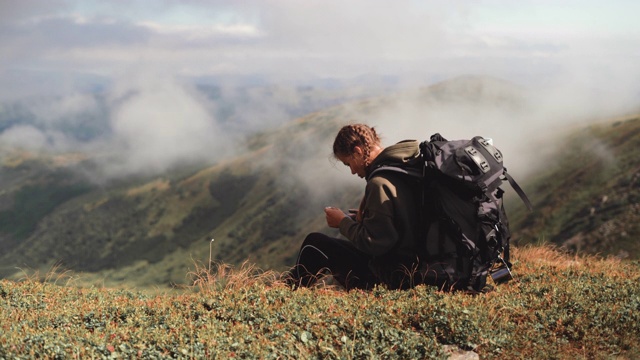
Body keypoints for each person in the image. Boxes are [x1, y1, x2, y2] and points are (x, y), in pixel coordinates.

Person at [285, 123, 428, 290]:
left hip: (393, 278)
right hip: (418, 269)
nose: (352, 171)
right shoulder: (405, 167)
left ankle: (283, 298)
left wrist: (343, 223)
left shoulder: (379, 183)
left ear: (358, 152)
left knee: (314, 244)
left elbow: (375, 244)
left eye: (348, 164)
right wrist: (365, 219)